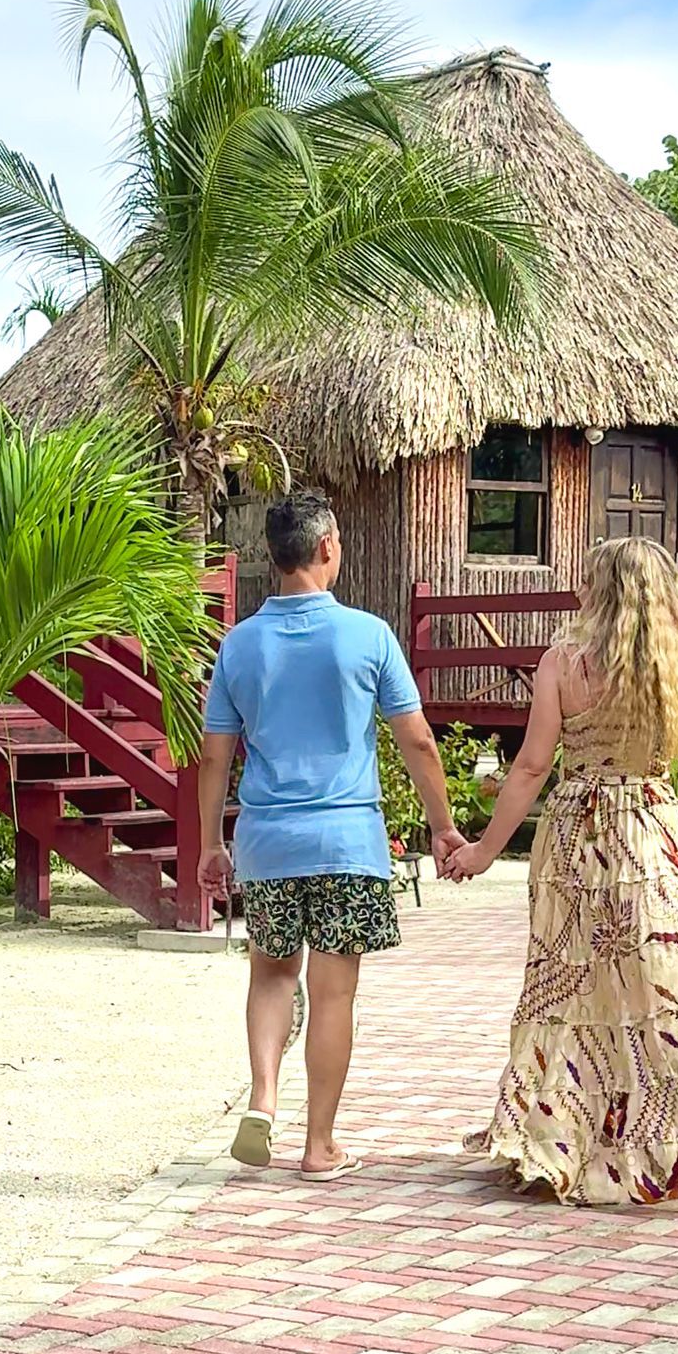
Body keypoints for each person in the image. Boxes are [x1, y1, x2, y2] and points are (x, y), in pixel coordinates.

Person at [441, 535, 678, 1204]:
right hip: (647, 835)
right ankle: (658, 1144)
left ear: (597, 591)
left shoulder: (561, 663)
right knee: (652, 992)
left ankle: (555, 1140)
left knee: (565, 987)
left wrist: (484, 851)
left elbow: (532, 766)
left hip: (574, 835)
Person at [198, 489, 464, 1179]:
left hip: (268, 841)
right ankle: (319, 1146)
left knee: (271, 975)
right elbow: (418, 740)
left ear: (272, 557)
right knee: (335, 993)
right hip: (348, 842)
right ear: (326, 548)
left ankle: (263, 1097)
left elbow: (214, 757)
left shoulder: (239, 645)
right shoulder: (368, 635)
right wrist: (442, 827)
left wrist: (208, 845)